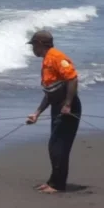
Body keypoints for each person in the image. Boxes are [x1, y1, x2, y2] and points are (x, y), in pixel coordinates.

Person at [25, 30, 81, 194]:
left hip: (67, 108)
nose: (32, 48)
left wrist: (68, 104)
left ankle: (58, 185)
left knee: (58, 146)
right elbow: (51, 92)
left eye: (34, 45)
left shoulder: (57, 57)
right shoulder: (47, 60)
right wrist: (37, 113)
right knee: (55, 146)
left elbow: (72, 79)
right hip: (57, 106)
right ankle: (53, 181)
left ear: (41, 44)